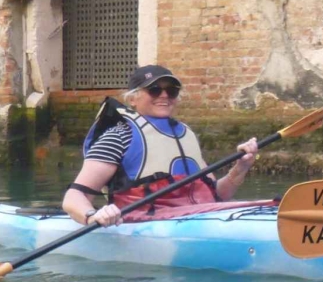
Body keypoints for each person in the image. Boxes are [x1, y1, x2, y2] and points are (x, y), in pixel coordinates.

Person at [63, 65, 259, 227]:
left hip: (201, 217)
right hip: (146, 223)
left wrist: (241, 168)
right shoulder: (118, 136)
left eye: (171, 91)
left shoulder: (185, 135)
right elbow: (74, 197)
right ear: (132, 99)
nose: (164, 95)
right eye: (154, 90)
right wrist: (92, 216)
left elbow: (217, 195)